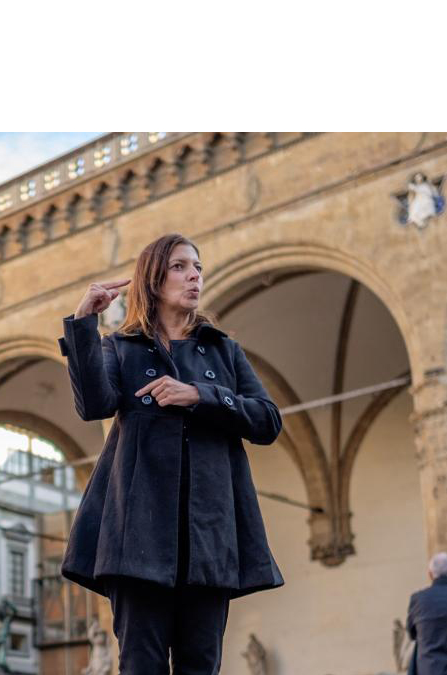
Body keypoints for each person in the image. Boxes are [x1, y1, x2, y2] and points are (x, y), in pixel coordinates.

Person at [58, 233, 284, 673]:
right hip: (135, 537)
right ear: (154, 279)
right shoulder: (120, 348)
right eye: (180, 266)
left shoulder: (224, 350)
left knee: (201, 664)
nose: (194, 275)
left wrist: (200, 394)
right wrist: (84, 325)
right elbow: (94, 406)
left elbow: (267, 421)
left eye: (197, 267)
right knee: (139, 664)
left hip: (209, 539)